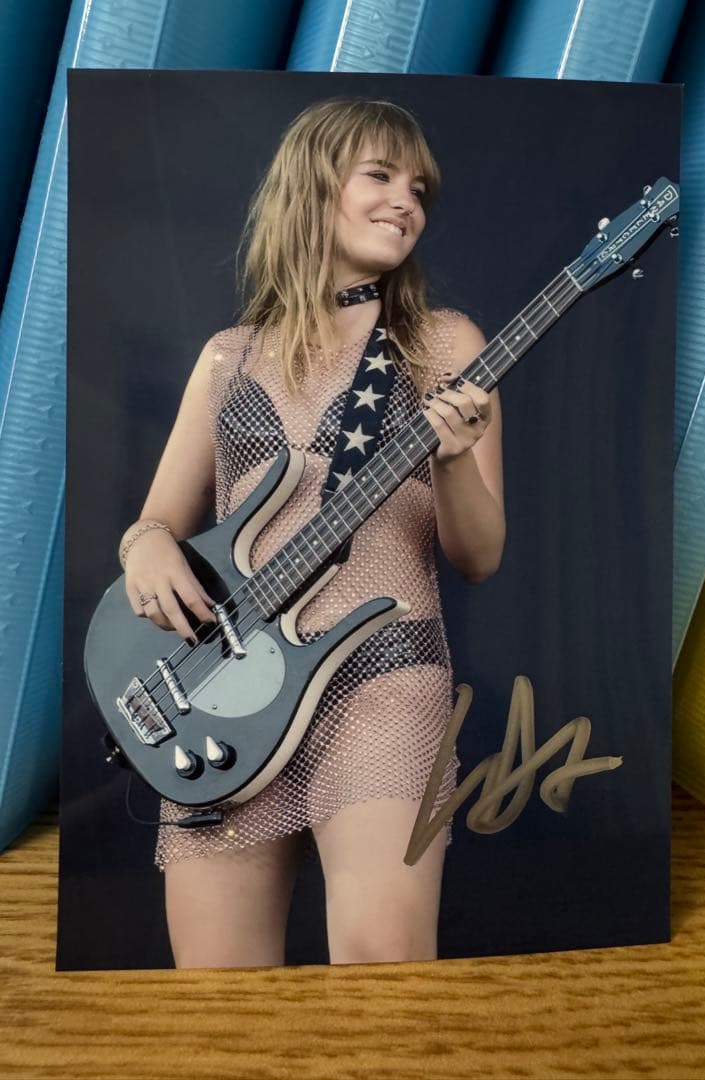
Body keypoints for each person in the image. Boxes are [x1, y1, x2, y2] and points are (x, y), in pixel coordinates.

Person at [117, 98, 505, 969]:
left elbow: (480, 556)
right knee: (217, 996)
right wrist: (144, 546)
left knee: (382, 979)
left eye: (419, 189)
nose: (405, 201)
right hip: (226, 689)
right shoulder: (228, 357)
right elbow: (155, 522)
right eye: (381, 176)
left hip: (383, 679)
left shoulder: (444, 345)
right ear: (312, 186)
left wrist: (452, 462)